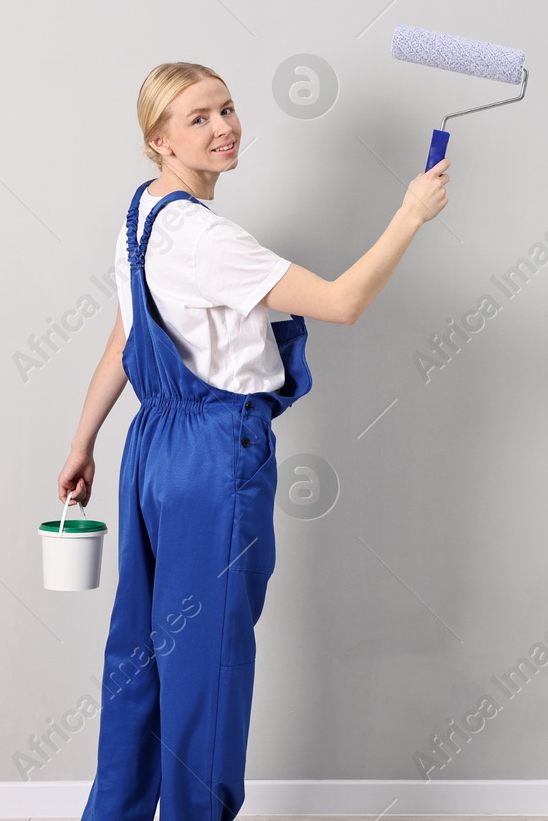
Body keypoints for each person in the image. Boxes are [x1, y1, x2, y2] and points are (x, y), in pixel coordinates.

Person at [57, 61, 449, 821]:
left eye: (227, 108)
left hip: (151, 450)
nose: (224, 127)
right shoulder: (207, 238)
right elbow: (342, 302)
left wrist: (84, 441)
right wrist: (411, 214)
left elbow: (122, 339)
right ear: (159, 139)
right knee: (206, 661)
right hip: (212, 452)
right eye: (198, 118)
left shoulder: (142, 215)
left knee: (138, 654)